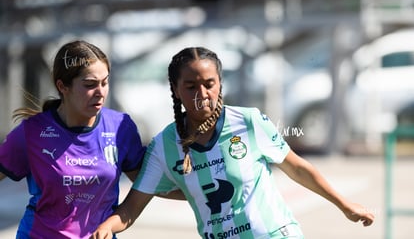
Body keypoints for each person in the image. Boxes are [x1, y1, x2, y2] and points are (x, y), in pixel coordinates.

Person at [91, 47, 374, 239]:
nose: (202, 93)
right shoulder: (163, 146)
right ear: (176, 90)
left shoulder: (249, 121)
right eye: (191, 86)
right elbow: (132, 207)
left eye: (209, 83)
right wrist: (105, 228)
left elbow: (297, 168)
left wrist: (344, 204)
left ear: (220, 83)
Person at [0, 40, 148, 239]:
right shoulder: (32, 132)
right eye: (90, 84)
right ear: (62, 86)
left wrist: (198, 187)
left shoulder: (121, 127)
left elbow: (150, 183)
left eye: (105, 82)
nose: (100, 92)